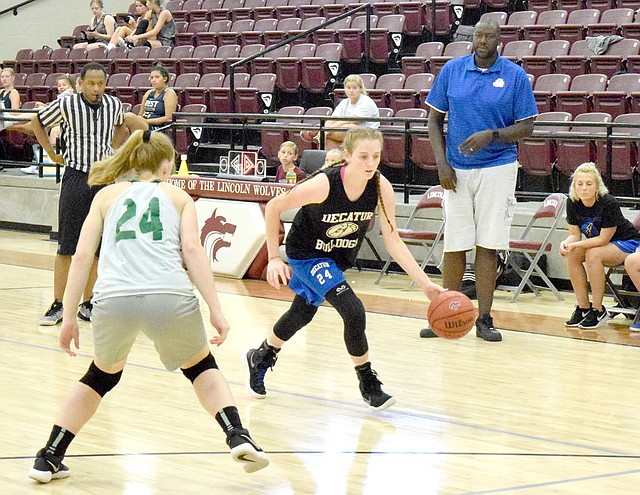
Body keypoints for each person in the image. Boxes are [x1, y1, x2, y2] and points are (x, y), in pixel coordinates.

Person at [27, 130, 269, 484]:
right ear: (167, 164)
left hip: (113, 298)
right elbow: (193, 251)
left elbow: (81, 258)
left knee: (100, 376)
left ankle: (48, 456)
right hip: (168, 294)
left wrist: (68, 316)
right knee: (201, 366)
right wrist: (216, 309)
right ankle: (237, 434)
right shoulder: (178, 195)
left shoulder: (106, 196)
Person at [244, 127, 445, 411]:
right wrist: (274, 258)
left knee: (302, 313)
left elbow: (393, 240)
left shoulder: (380, 186)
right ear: (348, 155)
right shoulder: (324, 184)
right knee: (353, 310)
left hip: (337, 257)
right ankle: (368, 384)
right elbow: (275, 206)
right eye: (363, 156)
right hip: (307, 253)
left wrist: (425, 284)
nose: (370, 163)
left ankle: (261, 355)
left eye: (376, 156)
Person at [418, 19, 537, 342]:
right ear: (472, 39)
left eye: (489, 36)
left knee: (488, 243)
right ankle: (447, 310)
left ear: (500, 40)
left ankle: (484, 318)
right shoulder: (453, 70)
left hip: (498, 167)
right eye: (478, 35)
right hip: (456, 168)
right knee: (455, 243)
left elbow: (527, 128)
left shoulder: (513, 76)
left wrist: (493, 135)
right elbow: (433, 119)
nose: (482, 40)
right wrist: (441, 163)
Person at [35, 63, 127, 326]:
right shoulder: (67, 104)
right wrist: (52, 154)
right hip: (76, 175)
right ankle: (58, 304)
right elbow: (37, 122)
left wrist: (114, 147)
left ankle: (89, 304)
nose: (96, 88)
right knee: (67, 245)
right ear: (81, 83)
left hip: (104, 178)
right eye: (91, 83)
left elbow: (123, 124)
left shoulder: (114, 105)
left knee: (97, 246)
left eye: (101, 83)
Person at [560, 162, 640, 329]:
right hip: (601, 245)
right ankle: (583, 308)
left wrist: (577, 245)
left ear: (597, 185)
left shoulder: (608, 203)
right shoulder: (572, 203)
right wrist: (567, 243)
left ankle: (598, 309)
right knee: (572, 254)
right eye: (580, 184)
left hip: (627, 242)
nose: (584, 188)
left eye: (589, 184)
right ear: (574, 186)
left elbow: (603, 239)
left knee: (593, 254)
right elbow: (574, 235)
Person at [15, 74, 76, 174]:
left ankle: (49, 163)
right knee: (42, 126)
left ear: (71, 87)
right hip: (59, 122)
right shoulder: (61, 97)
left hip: (69, 125)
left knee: (40, 115)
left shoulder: (70, 97)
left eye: (64, 85)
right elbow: (53, 110)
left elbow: (57, 112)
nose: (61, 87)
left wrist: (43, 107)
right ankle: (39, 162)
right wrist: (44, 105)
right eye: (59, 85)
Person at [300, 75, 380, 151]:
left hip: (367, 134)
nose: (351, 91)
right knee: (326, 140)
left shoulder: (366, 102)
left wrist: (327, 131)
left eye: (355, 88)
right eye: (348, 88)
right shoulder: (344, 102)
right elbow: (333, 119)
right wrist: (325, 130)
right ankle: (332, 162)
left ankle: (316, 134)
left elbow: (349, 120)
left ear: (361, 89)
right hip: (343, 135)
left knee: (349, 127)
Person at [124, 65, 178, 133]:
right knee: (124, 130)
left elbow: (168, 117)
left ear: (165, 78)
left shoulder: (169, 93)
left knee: (128, 116)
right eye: (152, 78)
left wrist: (146, 121)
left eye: (157, 77)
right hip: (144, 124)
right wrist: (140, 120)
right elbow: (140, 114)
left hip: (157, 128)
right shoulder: (148, 93)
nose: (153, 80)